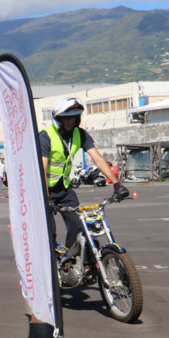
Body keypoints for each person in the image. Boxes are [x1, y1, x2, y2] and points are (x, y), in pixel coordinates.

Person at [40, 98, 128, 252]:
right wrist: (46, 198)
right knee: (48, 233)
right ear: (58, 119)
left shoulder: (80, 134)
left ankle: (69, 261)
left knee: (79, 227)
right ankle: (50, 265)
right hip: (44, 191)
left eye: (74, 117)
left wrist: (116, 184)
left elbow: (98, 159)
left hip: (64, 190)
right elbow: (42, 169)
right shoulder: (46, 136)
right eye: (67, 118)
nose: (70, 122)